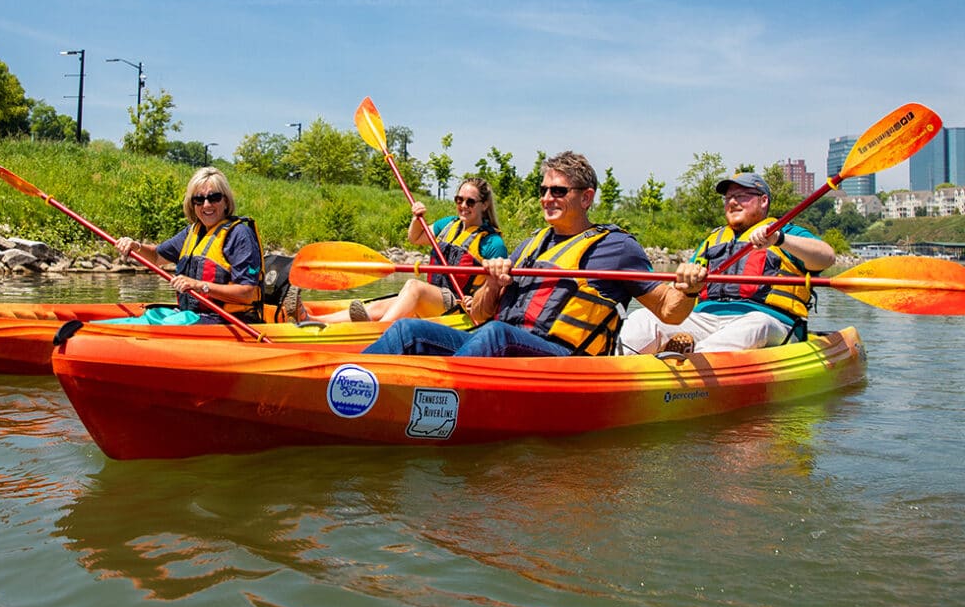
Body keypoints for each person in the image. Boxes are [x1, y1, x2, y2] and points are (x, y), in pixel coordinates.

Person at [361, 151, 695, 357]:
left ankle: (438, 389)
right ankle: (350, 379)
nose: (547, 198)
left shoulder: (617, 247)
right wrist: (492, 283)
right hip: (503, 346)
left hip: (563, 360)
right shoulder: (530, 244)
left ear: (586, 197)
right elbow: (478, 316)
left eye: (559, 191)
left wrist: (689, 288)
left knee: (497, 336)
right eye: (544, 190)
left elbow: (669, 311)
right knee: (408, 331)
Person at [616, 171, 836, 355]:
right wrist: (684, 283)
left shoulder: (786, 232)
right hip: (706, 318)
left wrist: (779, 239)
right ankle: (615, 368)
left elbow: (826, 257)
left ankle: (690, 362)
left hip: (771, 321)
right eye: (728, 197)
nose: (732, 202)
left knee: (755, 325)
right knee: (643, 318)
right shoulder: (713, 240)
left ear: (763, 200)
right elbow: (681, 291)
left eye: (741, 196)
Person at [308, 177, 509, 324]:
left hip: (460, 308)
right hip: (437, 299)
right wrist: (416, 219)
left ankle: (378, 331)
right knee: (382, 304)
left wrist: (475, 301)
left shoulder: (492, 243)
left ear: (484, 205)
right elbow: (416, 237)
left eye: (470, 202)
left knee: (414, 286)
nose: (463, 206)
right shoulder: (448, 225)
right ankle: (313, 319)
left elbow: (498, 291)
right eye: (459, 200)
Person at [115, 167, 264, 324]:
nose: (206, 205)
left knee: (159, 323)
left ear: (226, 201)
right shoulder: (192, 232)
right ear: (192, 204)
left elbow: (246, 293)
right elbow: (156, 256)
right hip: (191, 315)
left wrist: (200, 286)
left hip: (229, 321)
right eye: (199, 200)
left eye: (214, 198)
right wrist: (136, 246)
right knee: (152, 314)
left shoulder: (240, 235)